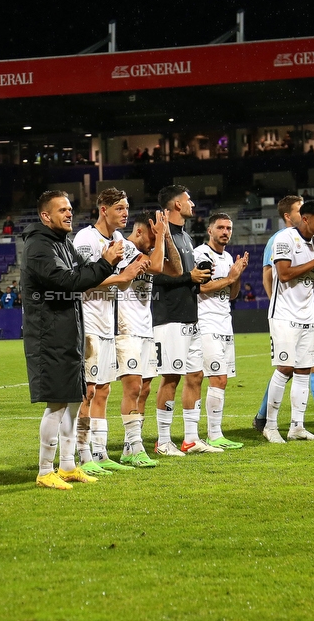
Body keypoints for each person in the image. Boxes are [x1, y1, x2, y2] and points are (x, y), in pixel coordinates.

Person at [21, 190, 122, 490]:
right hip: (48, 335)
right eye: (62, 209)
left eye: (70, 208)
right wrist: (105, 263)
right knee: (56, 403)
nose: (69, 214)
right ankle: (44, 470)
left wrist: (107, 264)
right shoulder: (39, 247)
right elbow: (68, 282)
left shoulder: (62, 241)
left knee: (73, 399)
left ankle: (67, 466)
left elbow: (83, 273)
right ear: (45, 216)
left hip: (69, 331)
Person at [253, 196, 314, 436]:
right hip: (285, 315)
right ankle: (270, 426)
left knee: (304, 370)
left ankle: (297, 427)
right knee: (285, 368)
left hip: (307, 315)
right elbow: (284, 274)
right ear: (304, 219)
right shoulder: (284, 239)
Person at [72, 188, 149, 475]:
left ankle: (100, 453)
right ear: (103, 209)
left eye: (126, 208)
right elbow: (83, 280)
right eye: (119, 208)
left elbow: (125, 283)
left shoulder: (119, 240)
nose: (125, 213)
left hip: (108, 324)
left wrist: (128, 274)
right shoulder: (86, 239)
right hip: (89, 323)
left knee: (102, 389)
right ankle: (82, 454)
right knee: (88, 392)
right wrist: (120, 274)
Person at [151, 185, 216, 456]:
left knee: (196, 376)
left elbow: (184, 274)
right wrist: (189, 277)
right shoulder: (162, 234)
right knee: (171, 377)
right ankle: (163, 441)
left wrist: (199, 276)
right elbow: (156, 275)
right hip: (169, 317)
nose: (192, 204)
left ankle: (190, 438)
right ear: (176, 204)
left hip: (190, 314)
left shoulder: (186, 237)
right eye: (188, 199)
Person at [115, 210, 181, 468]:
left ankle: (129, 447)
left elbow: (175, 269)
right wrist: (162, 236)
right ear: (140, 231)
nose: (156, 243)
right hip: (126, 327)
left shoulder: (152, 248)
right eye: (152, 237)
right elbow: (154, 266)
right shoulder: (126, 248)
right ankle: (136, 447)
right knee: (132, 388)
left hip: (145, 329)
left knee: (144, 389)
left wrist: (166, 238)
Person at [193, 213, 249, 449]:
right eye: (221, 227)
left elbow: (233, 294)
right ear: (210, 230)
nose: (225, 232)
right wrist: (230, 277)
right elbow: (201, 287)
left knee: (222, 381)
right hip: (206, 324)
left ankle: (216, 434)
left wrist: (237, 275)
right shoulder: (200, 254)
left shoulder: (227, 257)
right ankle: (212, 435)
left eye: (229, 228)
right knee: (217, 377)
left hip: (225, 323)